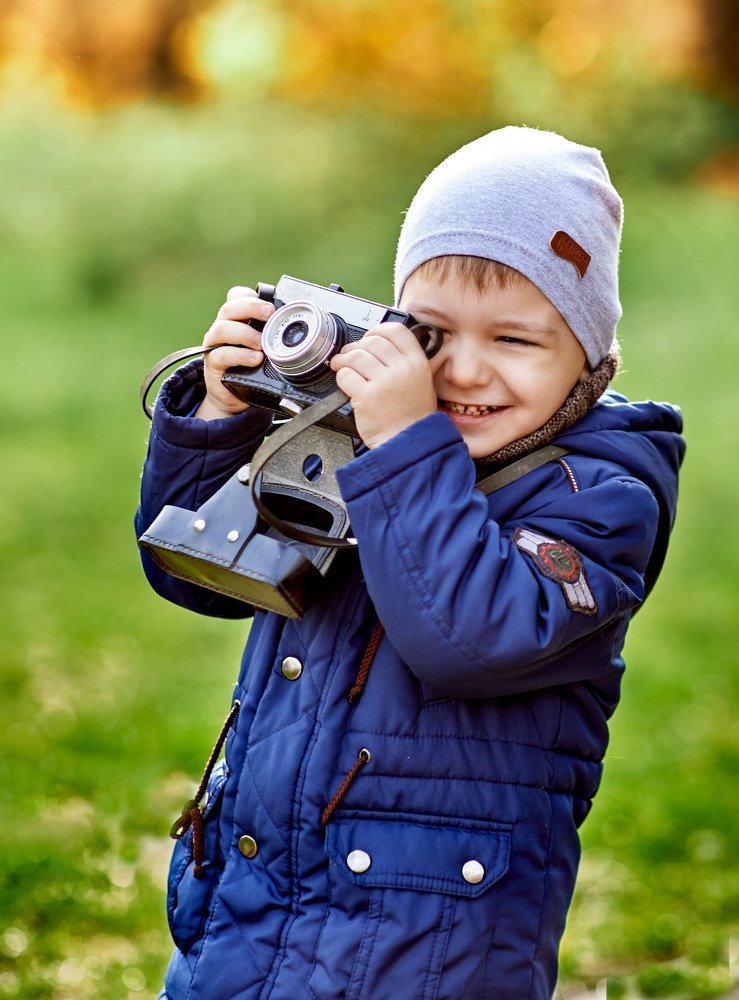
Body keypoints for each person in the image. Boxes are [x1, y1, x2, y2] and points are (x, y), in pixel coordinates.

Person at [136, 126, 685, 1000]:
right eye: (429, 333)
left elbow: (470, 639)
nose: (461, 371)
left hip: (427, 947)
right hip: (252, 901)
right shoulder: (364, 433)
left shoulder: (599, 496)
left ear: (587, 352)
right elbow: (196, 572)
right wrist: (220, 412)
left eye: (513, 341)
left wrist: (402, 446)